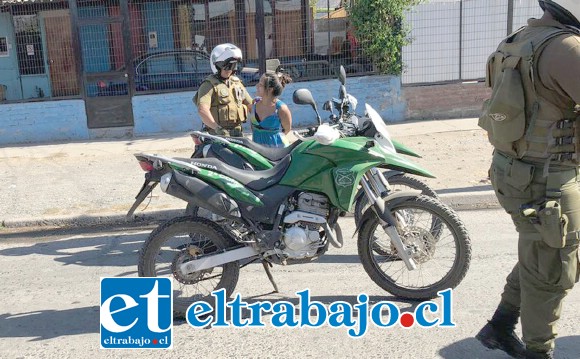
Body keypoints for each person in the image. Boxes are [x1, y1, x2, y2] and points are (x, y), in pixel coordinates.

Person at [476, 1, 580, 358]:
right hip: (548, 178)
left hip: (515, 170)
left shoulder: (520, 39)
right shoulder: (567, 48)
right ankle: (539, 352)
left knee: (539, 253)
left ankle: (500, 325)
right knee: (551, 270)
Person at [193, 43, 252, 137]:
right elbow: (202, 110)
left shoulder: (237, 83)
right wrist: (217, 128)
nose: (229, 70)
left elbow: (251, 106)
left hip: (238, 135)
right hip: (217, 136)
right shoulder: (208, 85)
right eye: (227, 66)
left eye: (233, 66)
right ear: (217, 65)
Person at [250, 71, 293, 147]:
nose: (257, 86)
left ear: (270, 89)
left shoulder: (281, 109)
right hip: (257, 149)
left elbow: (287, 129)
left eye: (260, 85)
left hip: (277, 150)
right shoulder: (254, 103)